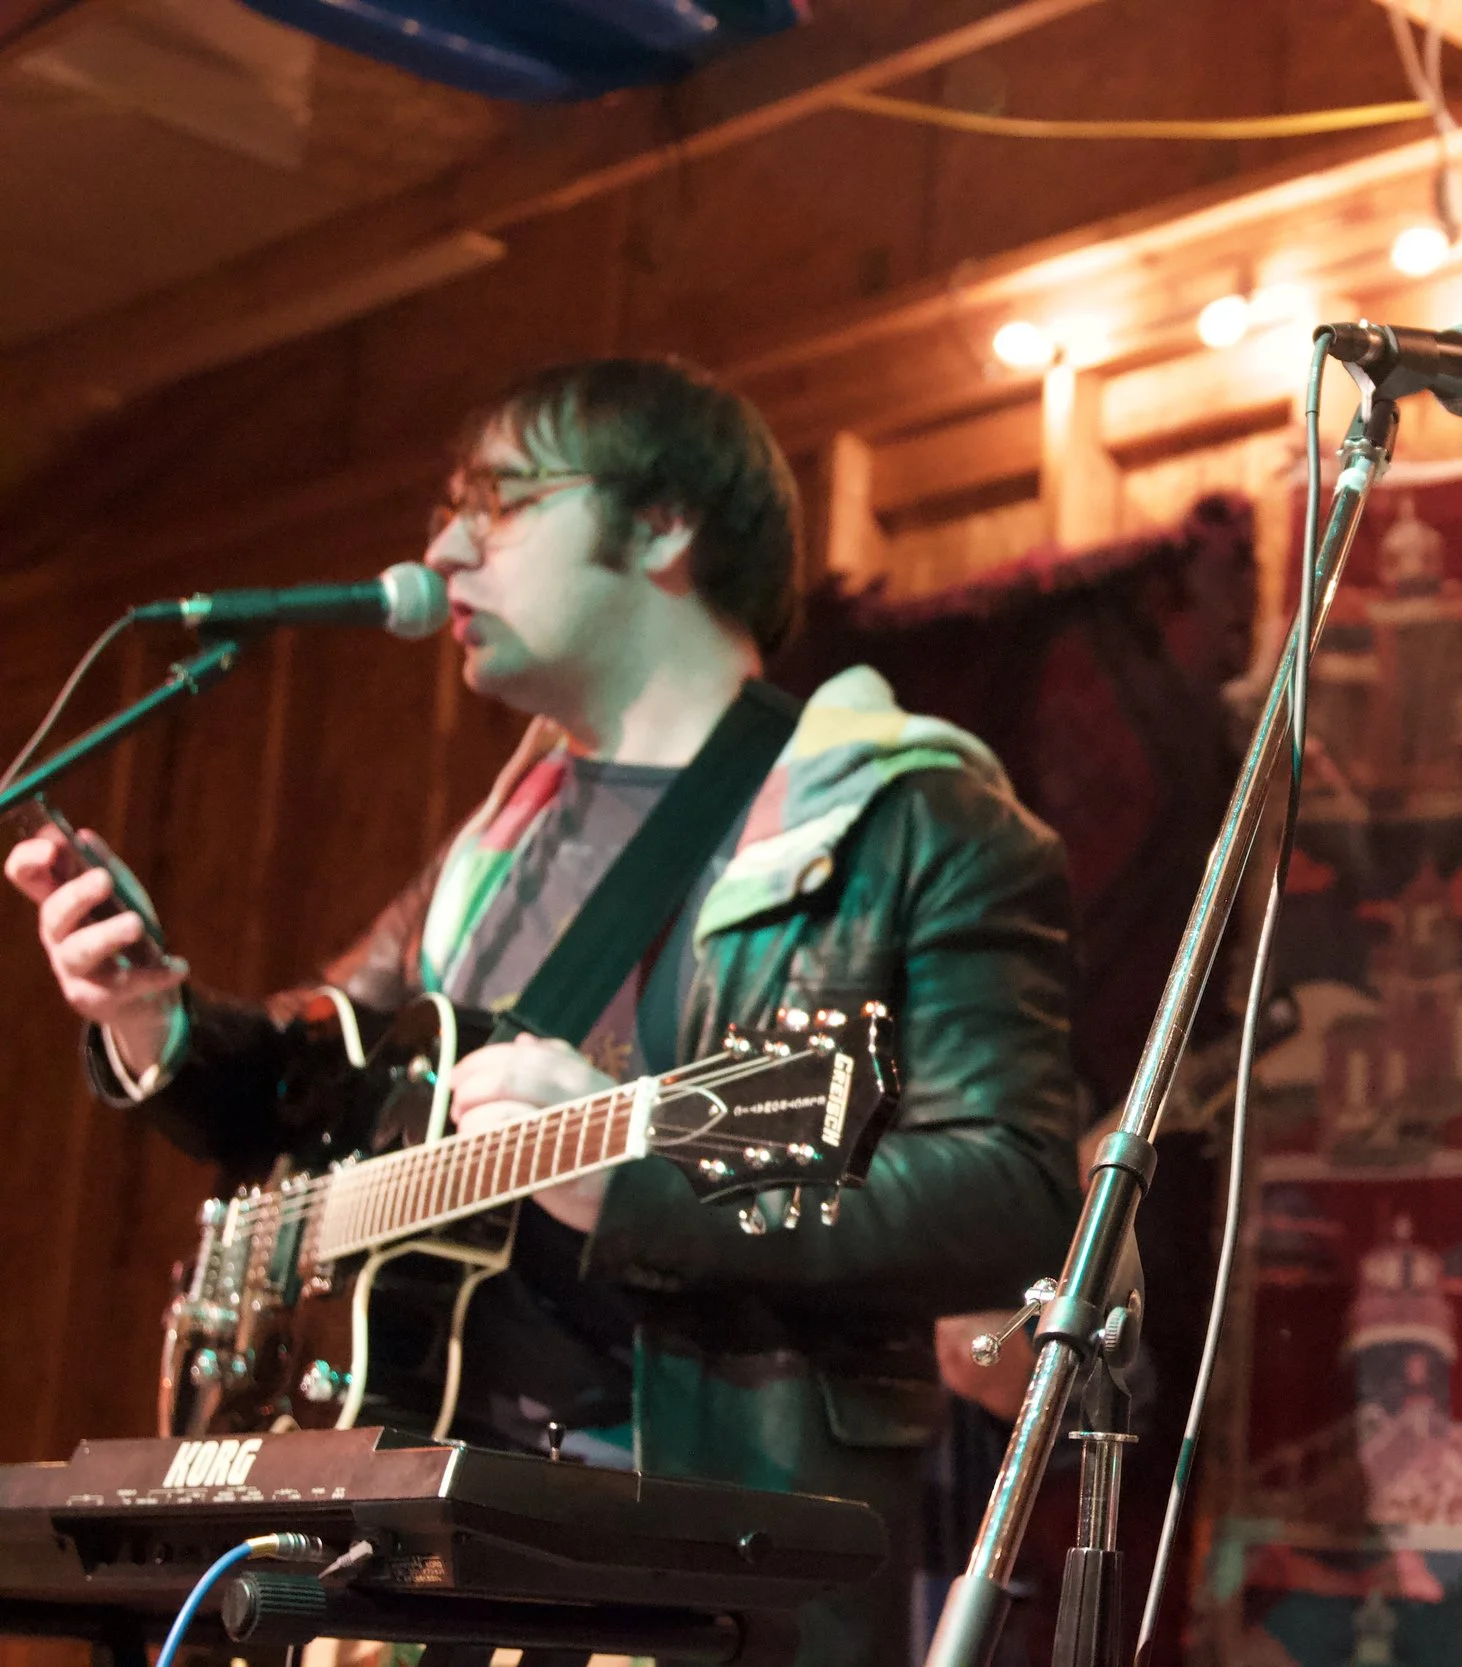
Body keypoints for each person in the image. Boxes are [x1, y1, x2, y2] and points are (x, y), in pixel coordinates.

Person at [6, 357, 1082, 1667]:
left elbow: (1011, 1195)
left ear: (668, 523)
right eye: (448, 508)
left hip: (691, 1567)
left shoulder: (909, 825)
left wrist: (643, 1187)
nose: (443, 546)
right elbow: (318, 1089)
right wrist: (146, 1013)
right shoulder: (494, 844)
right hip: (412, 1563)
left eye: (501, 501)